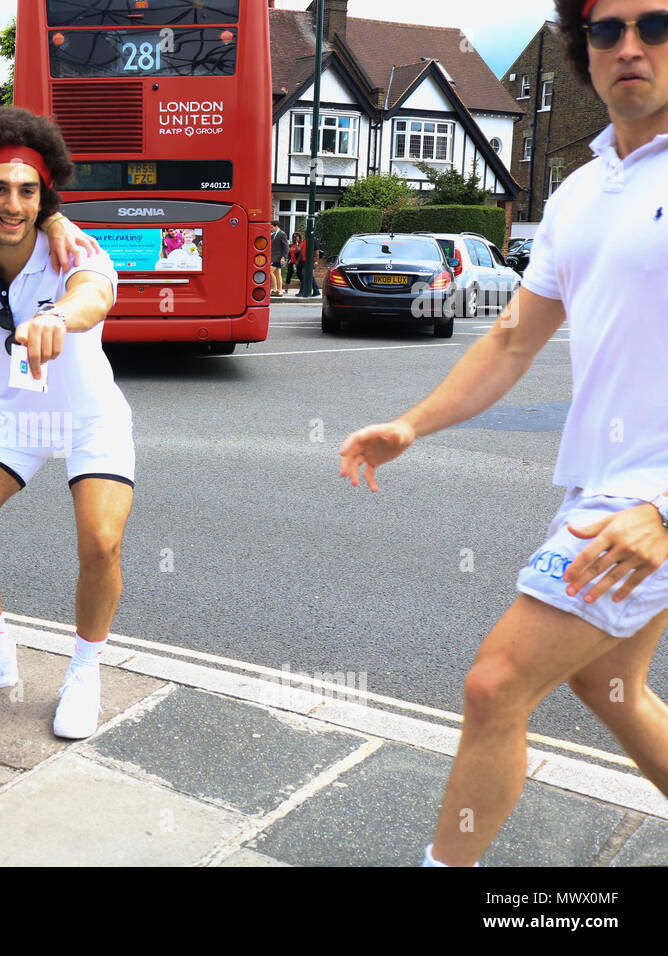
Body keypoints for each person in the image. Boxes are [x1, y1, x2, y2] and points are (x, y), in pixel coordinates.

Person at [339, 0, 668, 867]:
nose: (630, 47)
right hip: (603, 487)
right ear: (584, 48)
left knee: (495, 685)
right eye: (608, 30)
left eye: (657, 24)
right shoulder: (584, 188)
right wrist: (411, 424)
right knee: (613, 689)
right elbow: (512, 338)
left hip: (648, 502)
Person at [0, 107, 130, 740]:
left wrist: (59, 317)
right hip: (16, 414)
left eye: (28, 191)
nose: (12, 204)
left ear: (44, 198)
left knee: (100, 541)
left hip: (90, 416)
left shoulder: (72, 248)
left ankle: (85, 670)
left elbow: (96, 294)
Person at [269, 223, 288, 295]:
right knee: (278, 274)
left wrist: (284, 257)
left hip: (278, 257)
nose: (271, 229)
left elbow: (286, 247)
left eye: (272, 227)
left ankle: (275, 289)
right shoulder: (273, 234)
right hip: (273, 257)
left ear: (276, 226)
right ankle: (280, 291)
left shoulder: (282, 234)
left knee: (269, 271)